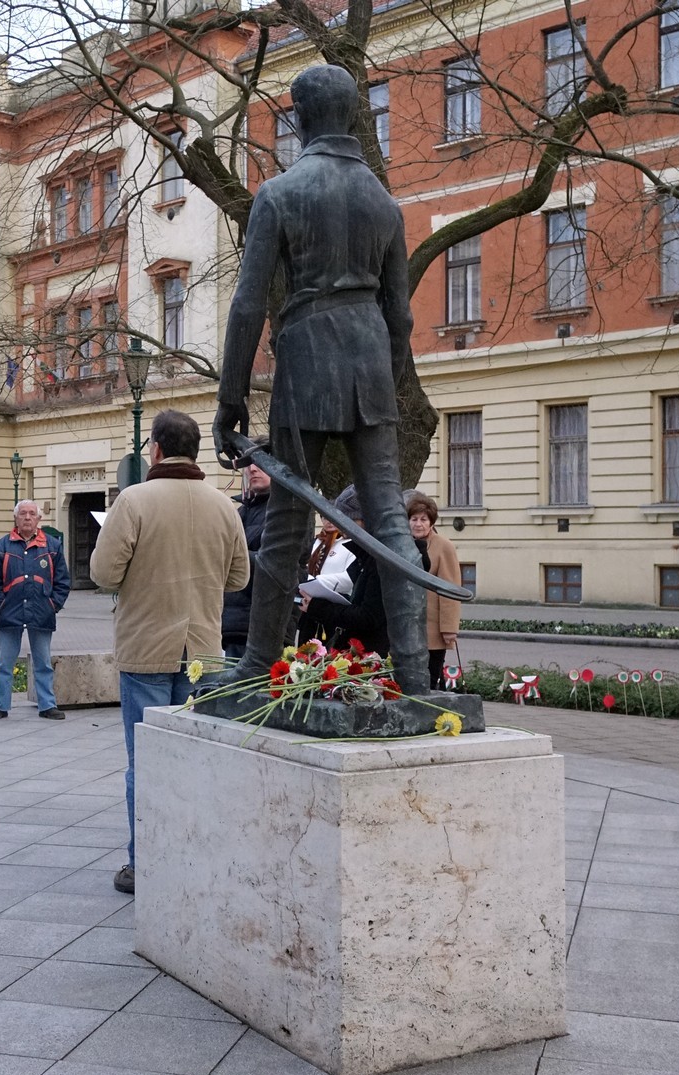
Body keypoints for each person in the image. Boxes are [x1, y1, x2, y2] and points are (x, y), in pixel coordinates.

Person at [212, 64, 428, 697]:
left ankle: (259, 662)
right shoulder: (383, 202)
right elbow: (401, 315)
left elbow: (248, 304)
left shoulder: (281, 193)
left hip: (306, 359)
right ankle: (415, 673)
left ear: (301, 117)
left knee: (288, 518)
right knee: (390, 521)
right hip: (371, 362)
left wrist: (230, 397)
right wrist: (385, 379)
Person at [91, 410, 249, 895]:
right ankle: (195, 854)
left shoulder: (134, 500)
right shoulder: (223, 505)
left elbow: (103, 573)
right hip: (203, 648)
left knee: (146, 760)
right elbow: (239, 578)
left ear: (156, 449)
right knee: (197, 756)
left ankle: (144, 863)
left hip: (146, 647)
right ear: (196, 451)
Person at [0, 500, 70, 722]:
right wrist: (0, 605)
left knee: (43, 663)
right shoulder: (2, 546)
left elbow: (62, 581)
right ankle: (0, 706)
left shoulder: (52, 546)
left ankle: (47, 705)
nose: (27, 517)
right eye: (23, 513)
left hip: (41, 612)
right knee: (5, 664)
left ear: (39, 518)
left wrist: (53, 605)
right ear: (16, 518)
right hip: (10, 612)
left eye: (32, 513)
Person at [301, 486, 391, 655]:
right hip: (360, 649)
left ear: (367, 521)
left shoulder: (380, 560)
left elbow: (368, 616)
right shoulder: (365, 556)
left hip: (373, 653)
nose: (342, 527)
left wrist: (319, 607)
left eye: (348, 521)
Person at [405, 492, 462, 688]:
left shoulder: (443, 546)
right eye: (414, 519)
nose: (418, 524)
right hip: (406, 627)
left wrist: (449, 629)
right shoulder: (404, 544)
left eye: (423, 519)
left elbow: (450, 589)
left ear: (431, 522)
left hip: (432, 629)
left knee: (429, 680)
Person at [220, 460, 270, 658]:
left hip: (260, 624)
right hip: (233, 623)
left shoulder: (284, 514)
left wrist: (227, 557)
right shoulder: (242, 510)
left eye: (261, 463)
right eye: (248, 464)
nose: (252, 469)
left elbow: (274, 564)